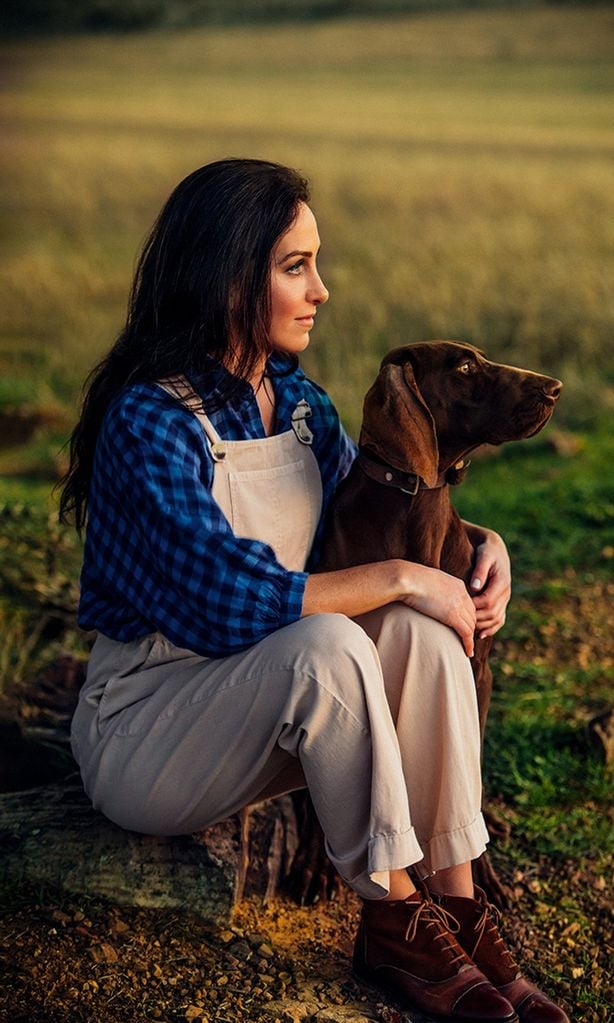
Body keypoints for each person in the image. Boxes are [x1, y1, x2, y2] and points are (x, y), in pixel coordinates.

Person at [60, 158, 568, 1023]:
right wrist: (409, 576)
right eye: (296, 266)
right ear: (229, 274)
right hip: (148, 727)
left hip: (263, 708)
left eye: (317, 262)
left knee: (424, 630)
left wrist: (482, 548)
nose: (321, 289)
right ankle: (390, 912)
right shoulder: (151, 421)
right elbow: (227, 595)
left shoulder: (297, 406)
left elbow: (377, 516)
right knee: (335, 639)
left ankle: (454, 902)